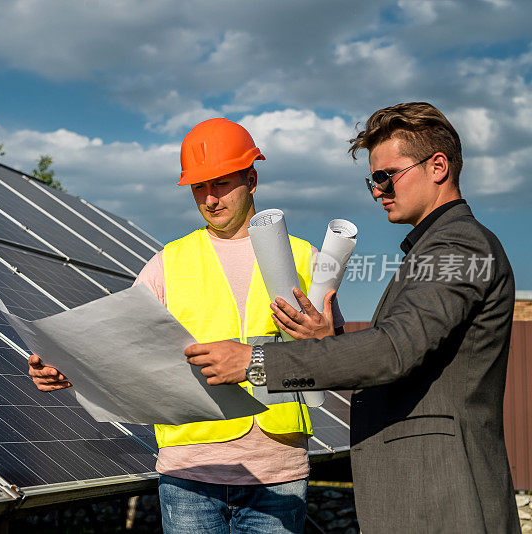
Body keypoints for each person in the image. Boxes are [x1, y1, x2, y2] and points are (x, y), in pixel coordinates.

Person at [185, 103, 519, 533]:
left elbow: (393, 350)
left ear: (437, 166)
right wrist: (331, 337)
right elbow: (406, 354)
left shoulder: (457, 246)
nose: (378, 191)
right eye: (371, 181)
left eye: (386, 176)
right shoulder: (433, 249)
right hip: (426, 493)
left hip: (442, 496)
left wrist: (255, 362)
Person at [29, 117, 344, 533]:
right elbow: (118, 339)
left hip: (278, 470)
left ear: (251, 179)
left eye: (220, 183)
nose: (210, 199)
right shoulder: (168, 262)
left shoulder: (305, 258)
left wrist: (321, 339)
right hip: (190, 471)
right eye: (199, 187)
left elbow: (339, 355)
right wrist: (66, 366)